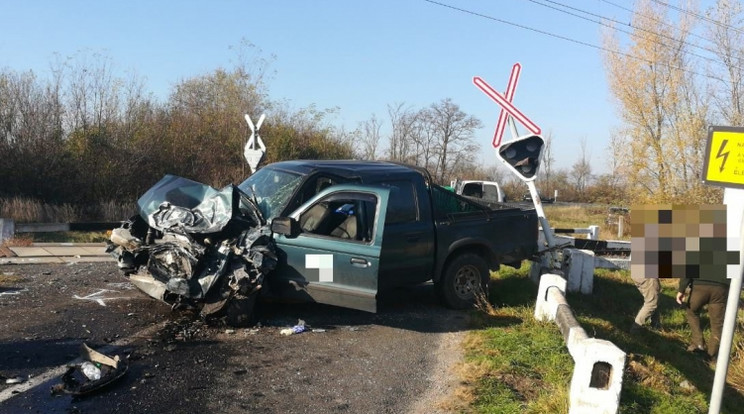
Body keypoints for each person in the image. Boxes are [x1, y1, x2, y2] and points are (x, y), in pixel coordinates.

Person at [676, 273, 729, 359]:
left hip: (700, 286)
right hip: (721, 288)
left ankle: (698, 343)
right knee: (717, 324)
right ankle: (712, 354)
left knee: (692, 312)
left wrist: (681, 289)